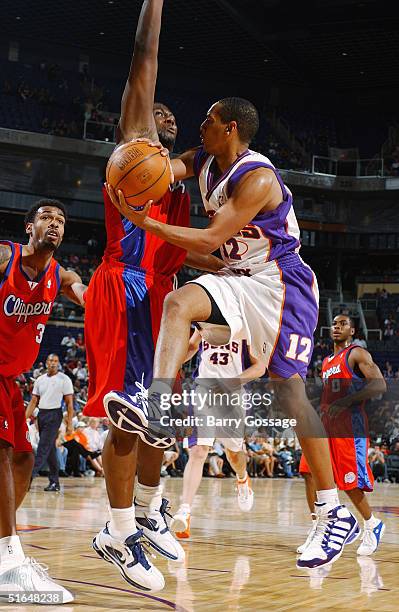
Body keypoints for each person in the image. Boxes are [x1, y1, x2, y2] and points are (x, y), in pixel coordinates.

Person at [105, 94, 361, 569]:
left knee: (289, 391)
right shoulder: (203, 159)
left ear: (230, 129)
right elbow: (161, 171)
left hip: (279, 282)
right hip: (237, 275)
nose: (199, 125)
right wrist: (135, 162)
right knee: (177, 301)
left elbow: (207, 240)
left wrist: (145, 222)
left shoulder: (257, 177)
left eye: (208, 120)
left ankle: (331, 512)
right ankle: (158, 403)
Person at [83, 0, 223, 594]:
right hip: (125, 288)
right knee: (127, 421)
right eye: (153, 111)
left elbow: (186, 244)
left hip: (162, 299)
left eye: (171, 115)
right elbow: (145, 59)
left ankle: (147, 510)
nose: (161, 115)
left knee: (160, 423)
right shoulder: (135, 148)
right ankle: (116, 531)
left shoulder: (175, 177)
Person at [0, 198, 86, 603]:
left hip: (11, 380)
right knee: (2, 453)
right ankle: (8, 561)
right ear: (29, 226)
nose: (55, 224)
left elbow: (91, 300)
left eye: (61, 220)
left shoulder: (62, 275)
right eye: (47, 217)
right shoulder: (5, 256)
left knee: (23, 459)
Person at [298, 314, 386, 557]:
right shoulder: (326, 361)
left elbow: (379, 385)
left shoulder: (356, 354)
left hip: (349, 425)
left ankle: (371, 524)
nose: (337, 327)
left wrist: (346, 401)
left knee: (349, 482)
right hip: (326, 424)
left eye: (343, 324)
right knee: (308, 472)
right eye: (334, 324)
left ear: (353, 330)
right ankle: (319, 527)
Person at [171, 329, 265, 539]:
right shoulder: (206, 320)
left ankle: (242, 479)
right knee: (198, 451)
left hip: (233, 394)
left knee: (233, 453)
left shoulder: (247, 325)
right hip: (203, 389)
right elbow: (193, 345)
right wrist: (173, 361)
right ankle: (185, 511)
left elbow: (260, 367)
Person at [25, 353, 74, 491]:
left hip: (54, 414)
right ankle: (55, 482)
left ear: (58, 363)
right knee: (50, 449)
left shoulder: (64, 379)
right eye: (51, 360)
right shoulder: (40, 380)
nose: (53, 363)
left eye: (56, 361)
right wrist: (24, 419)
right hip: (42, 414)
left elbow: (69, 404)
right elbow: (33, 401)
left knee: (42, 447)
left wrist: (69, 423)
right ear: (46, 362)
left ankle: (28, 478)